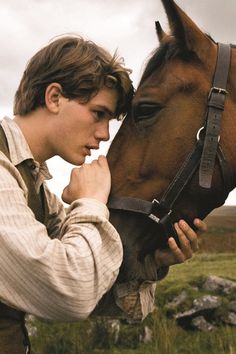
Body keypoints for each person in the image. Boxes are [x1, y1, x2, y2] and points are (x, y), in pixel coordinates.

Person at [0, 34, 206, 353]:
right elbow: (70, 292)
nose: (104, 134)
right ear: (54, 97)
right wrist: (92, 202)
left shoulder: (34, 185)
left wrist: (150, 261)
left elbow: (92, 286)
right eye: (99, 113)